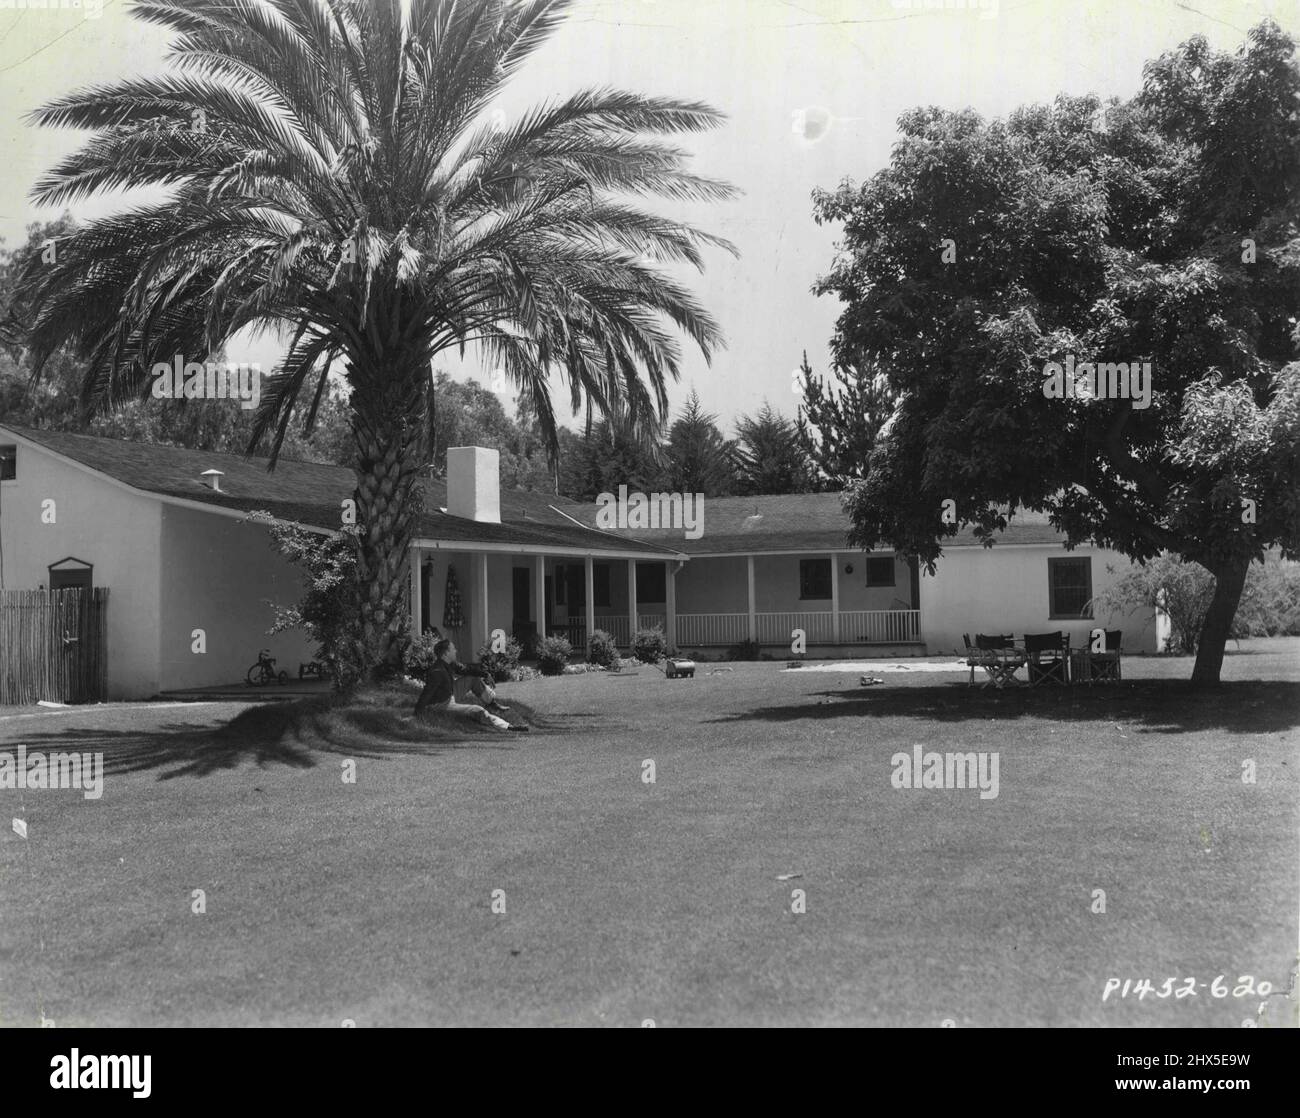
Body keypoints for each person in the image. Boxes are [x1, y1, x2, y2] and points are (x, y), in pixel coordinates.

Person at [414, 639, 528, 732]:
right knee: (477, 710)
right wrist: (417, 713)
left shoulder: (449, 664)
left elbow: (466, 669)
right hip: (442, 704)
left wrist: (485, 674)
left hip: (449, 693)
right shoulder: (437, 671)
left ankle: (491, 703)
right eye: (453, 649)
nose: (456, 651)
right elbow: (427, 693)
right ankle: (508, 727)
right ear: (446, 653)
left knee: (472, 679)